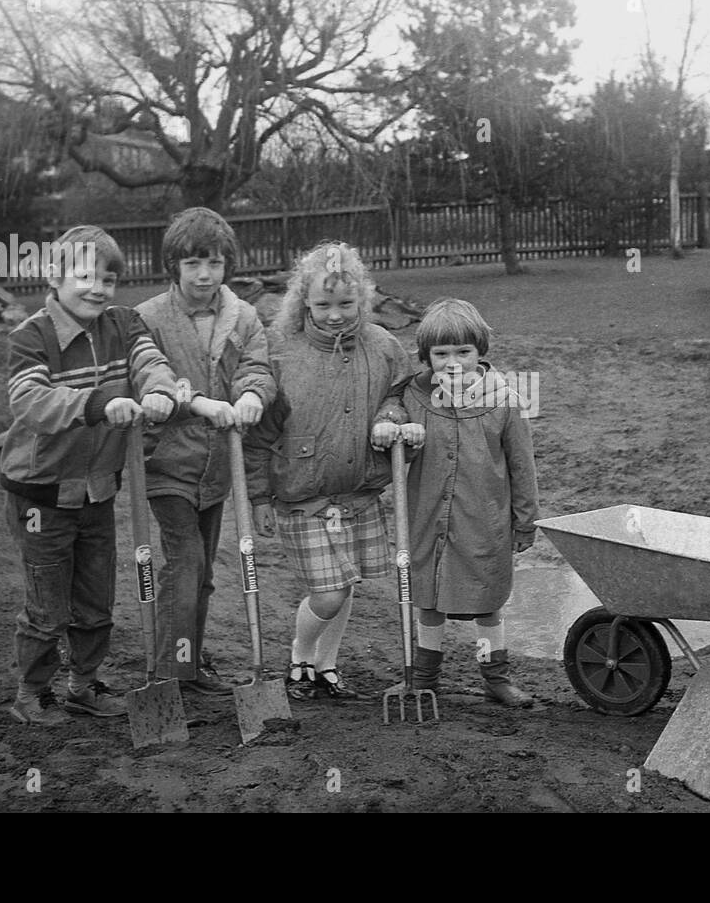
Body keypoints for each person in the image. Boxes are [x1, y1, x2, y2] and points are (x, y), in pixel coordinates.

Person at [1, 225, 179, 725]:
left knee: (95, 598)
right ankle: (32, 692)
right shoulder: (32, 336)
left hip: (97, 492)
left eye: (108, 277)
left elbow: (150, 362)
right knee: (48, 604)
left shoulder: (122, 324)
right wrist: (99, 402)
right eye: (83, 275)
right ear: (54, 277)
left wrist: (160, 391)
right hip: (41, 495)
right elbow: (31, 401)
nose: (97, 287)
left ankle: (84, 684)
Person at [242, 241, 413, 700]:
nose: (335, 314)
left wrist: (390, 419)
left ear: (363, 298)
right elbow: (258, 436)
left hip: (359, 492)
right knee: (329, 591)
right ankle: (299, 656)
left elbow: (401, 396)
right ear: (304, 303)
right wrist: (259, 497)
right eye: (323, 305)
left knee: (346, 584)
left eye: (345, 303)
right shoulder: (281, 353)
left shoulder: (383, 347)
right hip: (304, 495)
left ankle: (326, 665)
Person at [135, 207, 275, 697]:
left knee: (203, 572)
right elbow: (148, 382)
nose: (203, 274)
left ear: (226, 266)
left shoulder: (243, 316)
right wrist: (194, 405)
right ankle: (169, 673)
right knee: (185, 562)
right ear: (174, 264)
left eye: (213, 264)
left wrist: (254, 395)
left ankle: (189, 662)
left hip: (218, 467)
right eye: (193, 263)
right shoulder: (149, 318)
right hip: (167, 462)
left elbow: (257, 367)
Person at [398, 299, 540, 707]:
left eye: (463, 352)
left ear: (480, 352)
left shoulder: (506, 401)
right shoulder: (414, 397)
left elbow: (522, 465)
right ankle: (425, 675)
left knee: (486, 600)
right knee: (428, 597)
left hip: (485, 520)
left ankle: (494, 676)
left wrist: (525, 522)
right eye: (441, 354)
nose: (453, 362)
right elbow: (390, 412)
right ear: (427, 357)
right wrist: (390, 421)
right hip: (427, 517)